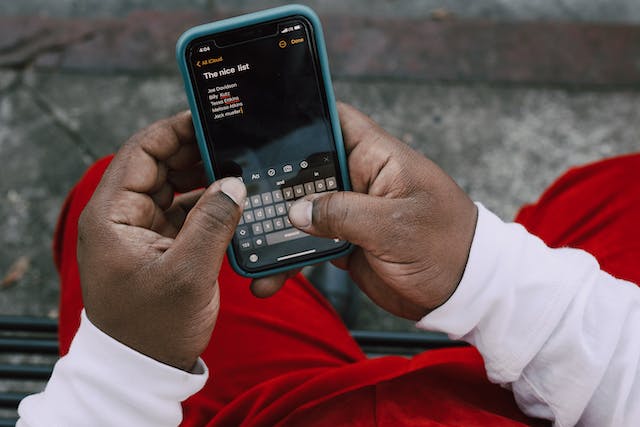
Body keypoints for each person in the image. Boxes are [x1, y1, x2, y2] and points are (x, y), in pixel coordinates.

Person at [16, 103, 640, 426]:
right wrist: (481, 276)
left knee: (111, 200)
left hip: (270, 412)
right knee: (623, 192)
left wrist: (123, 370)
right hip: (500, 395)